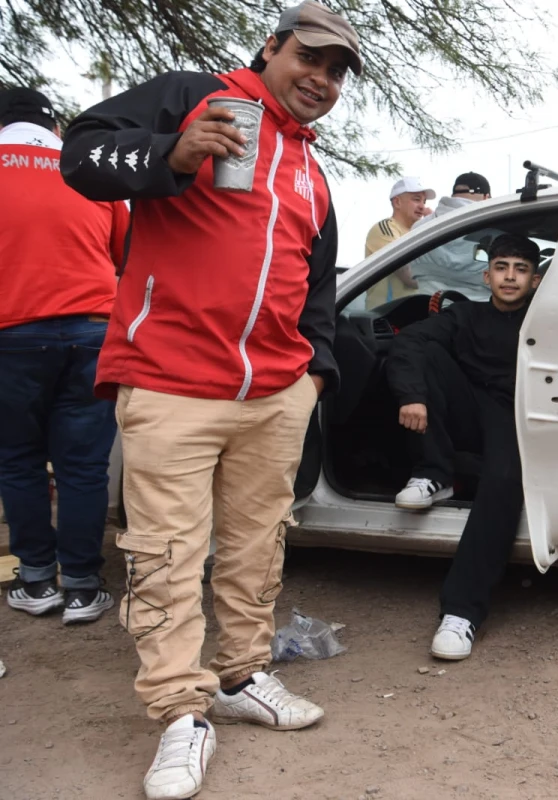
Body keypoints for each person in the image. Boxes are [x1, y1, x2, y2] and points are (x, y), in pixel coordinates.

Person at [59, 3, 359, 798]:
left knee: (258, 545)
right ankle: (179, 713)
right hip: (169, 383)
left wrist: (313, 374)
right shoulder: (195, 96)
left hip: (274, 393)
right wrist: (173, 151)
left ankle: (242, 674)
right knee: (165, 556)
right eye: (310, 58)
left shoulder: (312, 172)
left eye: (336, 72)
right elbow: (80, 154)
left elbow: (318, 286)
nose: (322, 80)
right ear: (271, 46)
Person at [0, 87, 128, 624]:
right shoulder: (87, 168)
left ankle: (35, 580)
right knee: (83, 466)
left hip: (10, 332)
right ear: (54, 127)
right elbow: (125, 253)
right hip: (92, 330)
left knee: (18, 460)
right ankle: (81, 587)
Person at [386, 233, 542, 661]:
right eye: (501, 267)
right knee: (425, 350)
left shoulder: (545, 322)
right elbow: (407, 342)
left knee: (503, 481)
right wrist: (411, 396)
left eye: (521, 270)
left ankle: (461, 613)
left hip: (519, 417)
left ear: (535, 280)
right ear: (486, 275)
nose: (509, 277)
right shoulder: (465, 314)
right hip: (469, 412)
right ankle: (435, 473)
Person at [406, 172, 501, 300]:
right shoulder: (494, 231)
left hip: (428, 306)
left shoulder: (419, 228)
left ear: (454, 195)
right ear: (486, 197)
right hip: (479, 308)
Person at [364, 176, 436, 306]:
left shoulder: (419, 232)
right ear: (397, 202)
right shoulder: (384, 228)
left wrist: (434, 225)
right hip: (386, 314)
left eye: (424, 202)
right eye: (416, 199)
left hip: (411, 313)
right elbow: (410, 277)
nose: (422, 207)